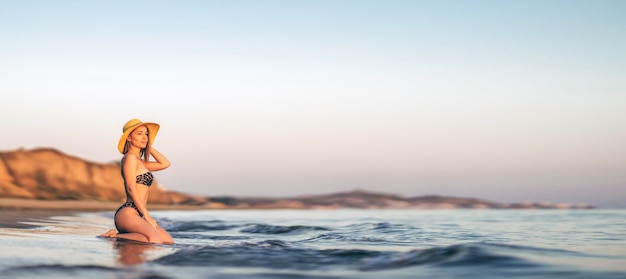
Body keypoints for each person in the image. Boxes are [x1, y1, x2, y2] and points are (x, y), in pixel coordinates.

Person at [99, 118, 174, 244]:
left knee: (168, 241)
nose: (144, 137)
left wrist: (148, 145)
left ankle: (118, 236)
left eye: (146, 134)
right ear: (129, 137)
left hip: (137, 215)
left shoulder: (141, 163)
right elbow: (130, 188)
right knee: (154, 240)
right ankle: (112, 236)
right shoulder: (129, 158)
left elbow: (165, 163)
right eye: (139, 133)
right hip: (128, 213)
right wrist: (147, 215)